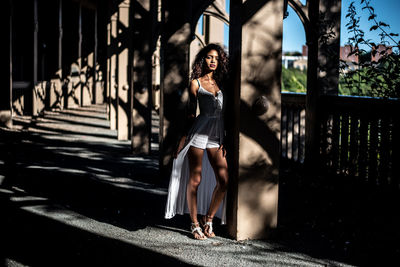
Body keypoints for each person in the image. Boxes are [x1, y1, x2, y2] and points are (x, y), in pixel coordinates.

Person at [164, 43, 229, 240]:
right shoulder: (196, 83)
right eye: (209, 57)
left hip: (216, 135)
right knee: (196, 179)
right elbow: (191, 113)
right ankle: (194, 223)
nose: (213, 61)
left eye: (216, 58)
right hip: (199, 133)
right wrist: (184, 139)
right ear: (203, 59)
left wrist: (226, 137)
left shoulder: (222, 83)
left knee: (224, 180)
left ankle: (208, 219)